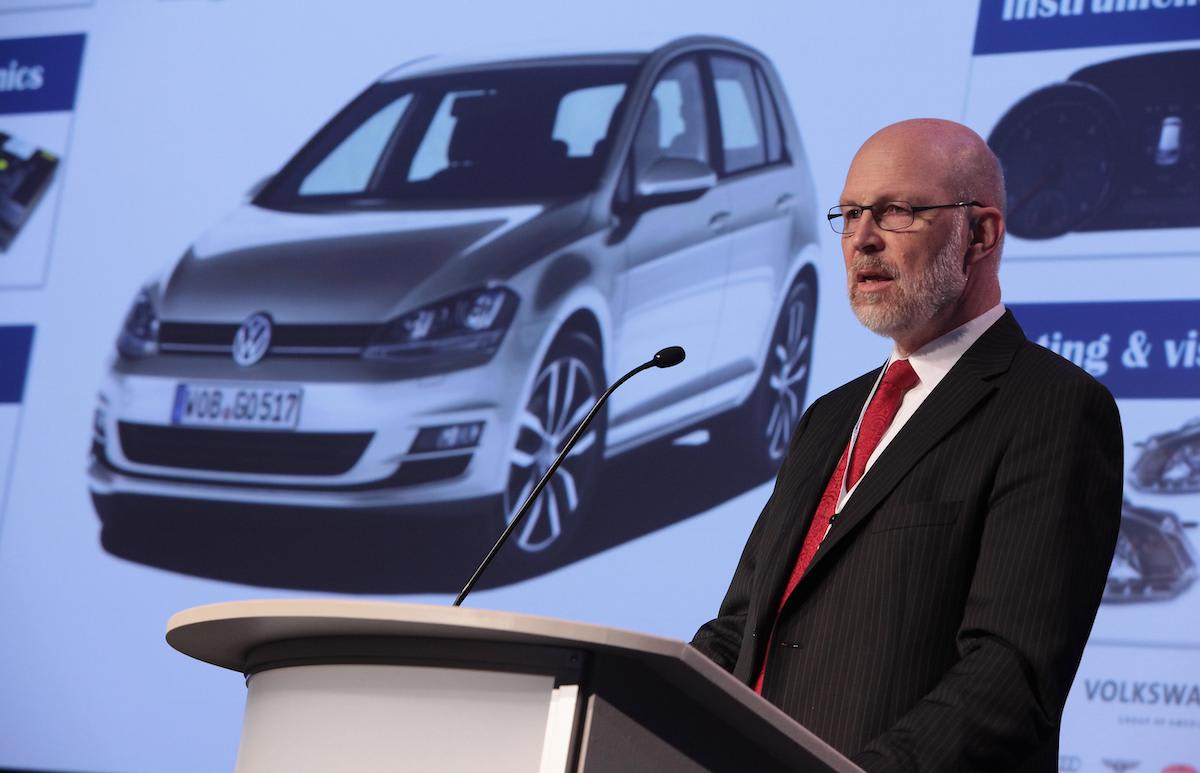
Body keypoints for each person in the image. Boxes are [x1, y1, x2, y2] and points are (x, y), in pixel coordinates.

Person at [691, 118, 1123, 772]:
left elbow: (1010, 674)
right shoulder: (828, 417)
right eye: (851, 213)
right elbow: (741, 628)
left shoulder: (1051, 407)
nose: (863, 238)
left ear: (980, 234)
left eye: (897, 212)